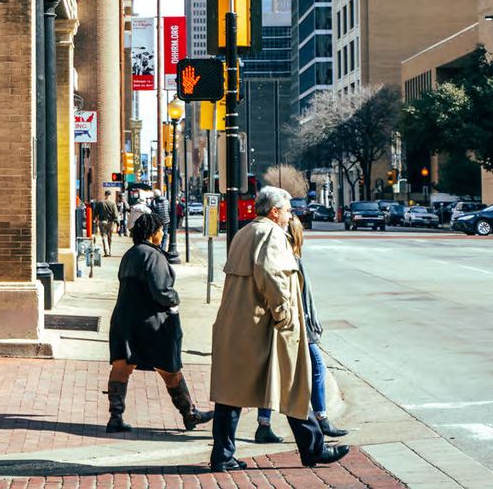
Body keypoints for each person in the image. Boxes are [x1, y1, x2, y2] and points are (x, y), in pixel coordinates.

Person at [207, 186, 350, 473]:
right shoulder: (272, 234)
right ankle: (314, 449)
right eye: (287, 210)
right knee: (293, 385)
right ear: (274, 211)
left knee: (231, 393)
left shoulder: (245, 232)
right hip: (264, 328)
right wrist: (285, 316)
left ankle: (223, 455)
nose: (290, 215)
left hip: (237, 325)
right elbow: (273, 277)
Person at [104, 211, 214, 434]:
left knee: (121, 366)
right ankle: (189, 413)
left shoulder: (130, 254)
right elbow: (162, 291)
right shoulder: (153, 256)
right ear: (152, 232)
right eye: (160, 229)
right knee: (169, 367)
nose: (162, 233)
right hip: (152, 322)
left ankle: (115, 417)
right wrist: (175, 299)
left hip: (124, 319)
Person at [251, 216, 347, 442]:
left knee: (272, 372)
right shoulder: (291, 260)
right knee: (315, 368)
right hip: (296, 324)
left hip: (290, 323)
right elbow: (297, 298)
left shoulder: (286, 258)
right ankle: (321, 419)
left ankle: (264, 424)